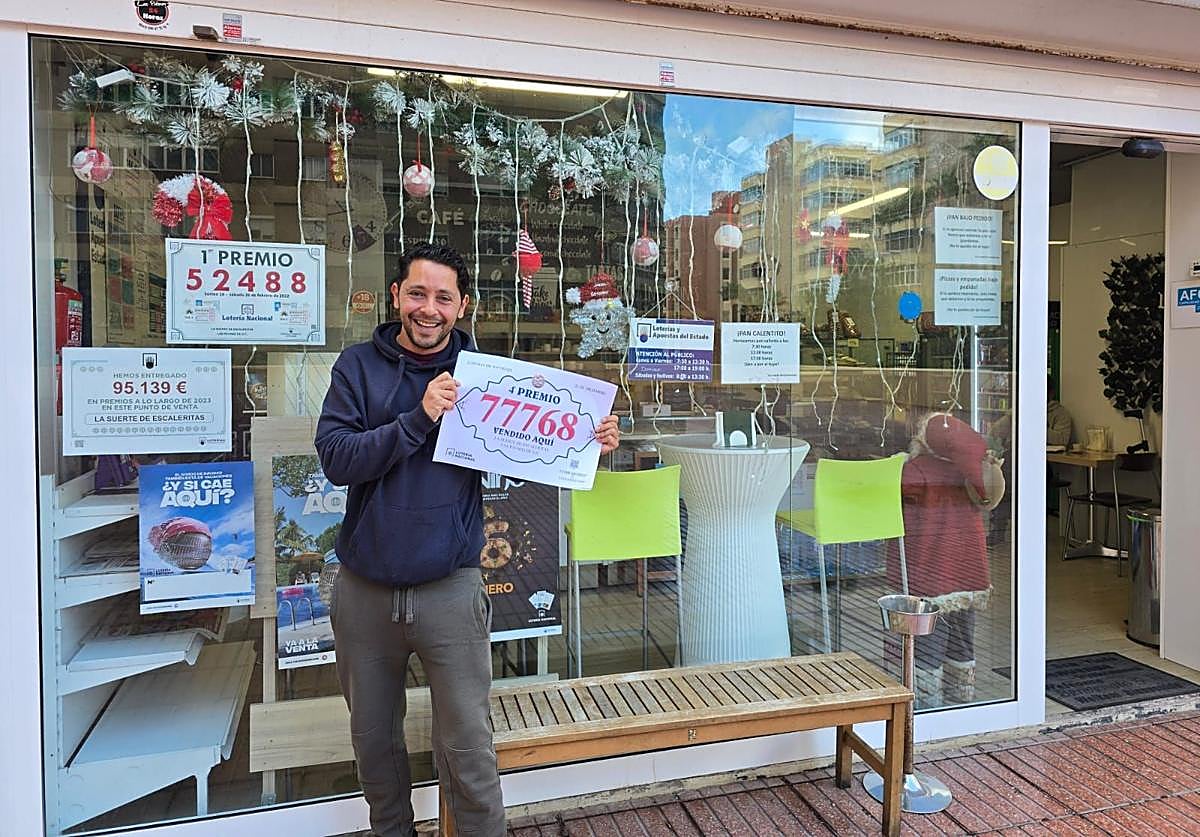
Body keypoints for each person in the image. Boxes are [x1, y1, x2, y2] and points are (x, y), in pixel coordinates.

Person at [315, 243, 620, 837]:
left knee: (470, 749)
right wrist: (417, 417)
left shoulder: (487, 376)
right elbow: (336, 458)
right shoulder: (356, 367)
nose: (429, 309)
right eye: (418, 294)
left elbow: (536, 450)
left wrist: (589, 439)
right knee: (374, 746)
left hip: (450, 590)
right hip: (365, 593)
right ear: (397, 297)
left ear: (463, 306)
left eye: (443, 298)